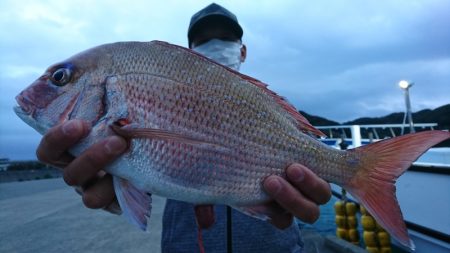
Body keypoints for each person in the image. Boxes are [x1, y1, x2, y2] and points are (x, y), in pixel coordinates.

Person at [36, 3, 331, 253]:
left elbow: (310, 177)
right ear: (189, 52)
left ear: (242, 51)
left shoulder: (276, 111)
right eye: (204, 40)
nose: (216, 45)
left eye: (226, 38)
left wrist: (327, 174)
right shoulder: (162, 93)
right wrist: (110, 177)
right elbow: (149, 163)